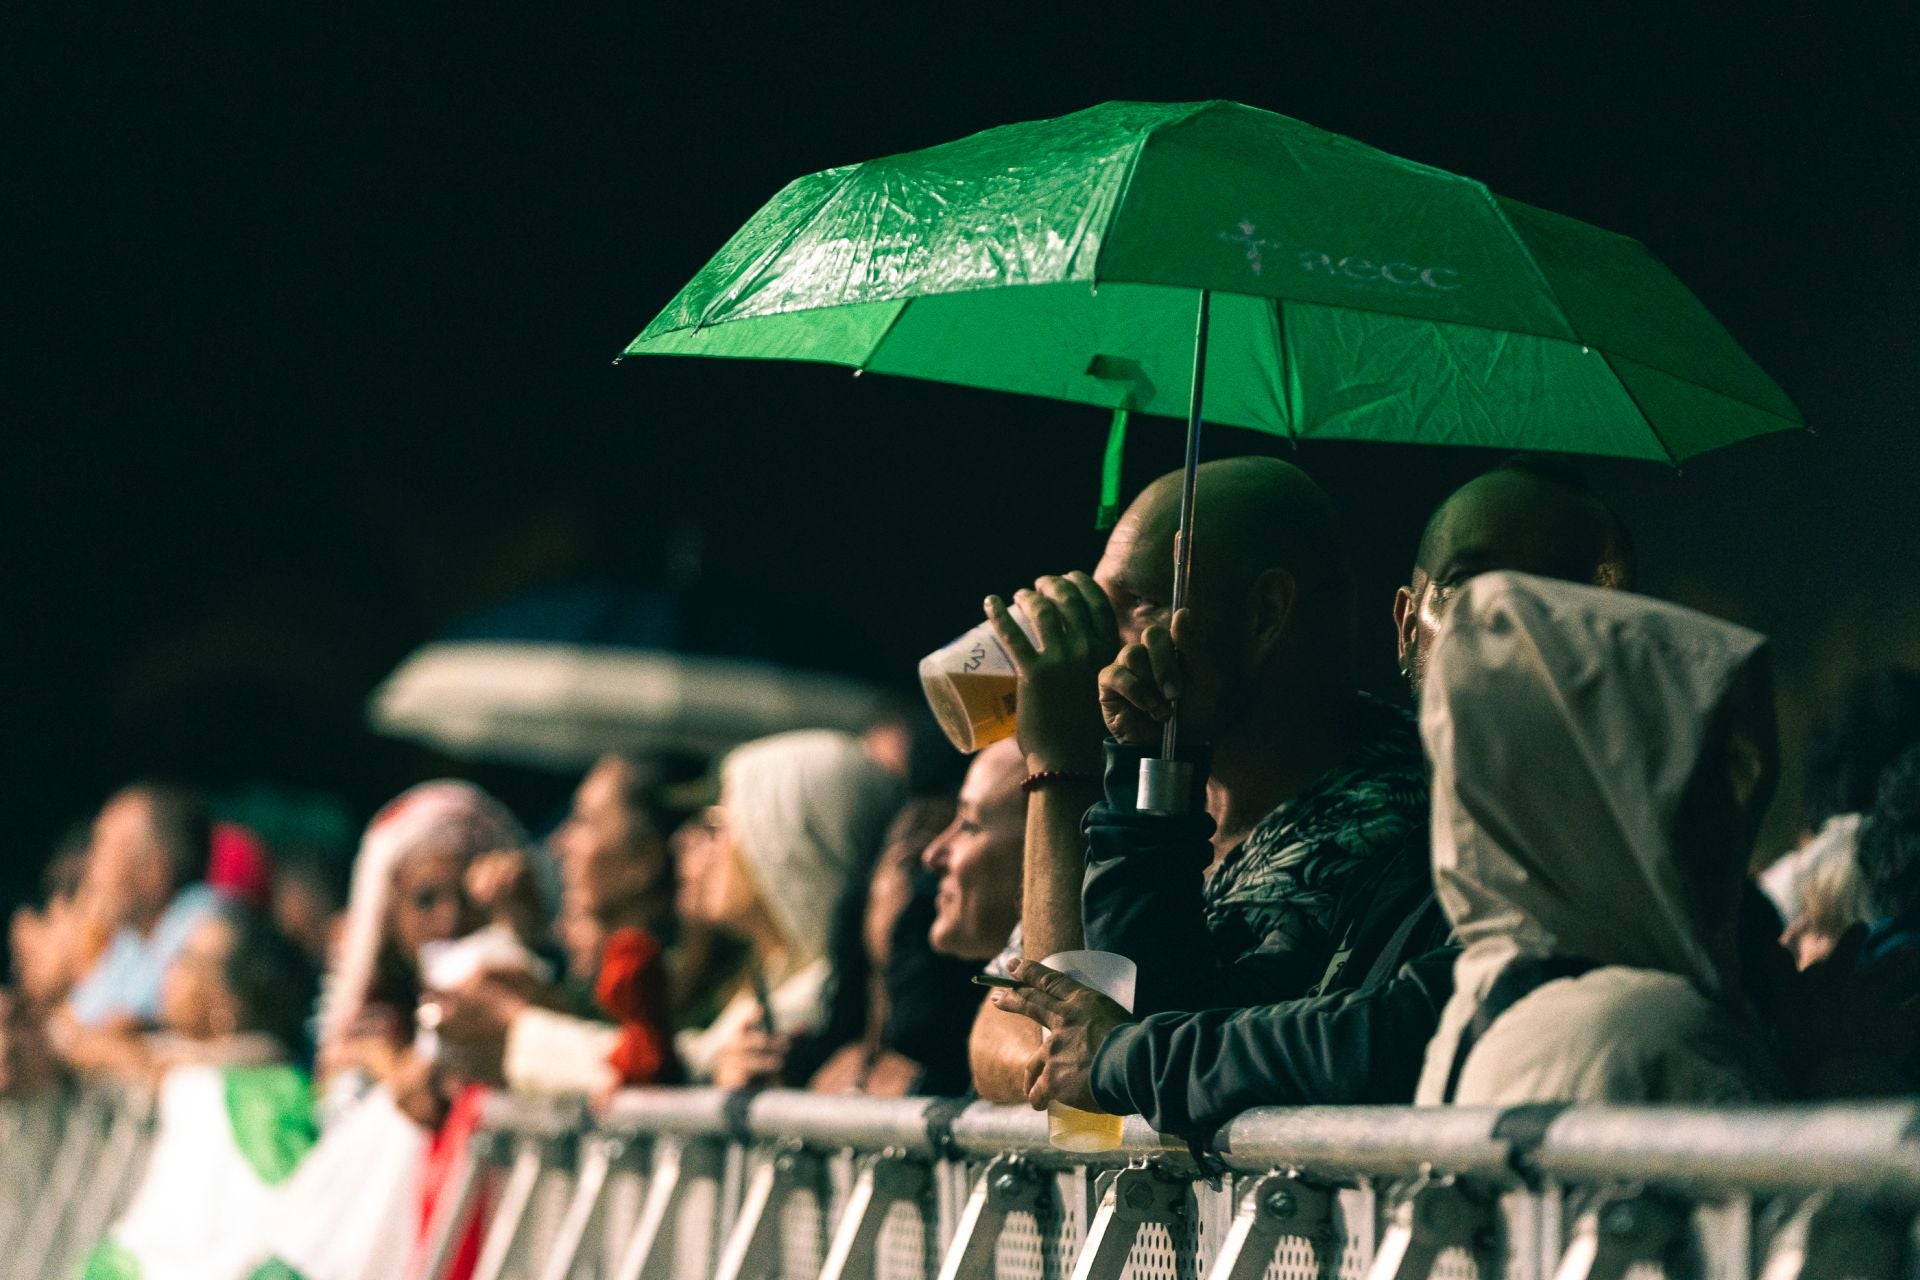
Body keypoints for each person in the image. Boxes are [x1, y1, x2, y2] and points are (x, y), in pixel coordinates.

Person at [993, 461, 1639, 1130]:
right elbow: (1080, 1025)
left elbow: (1391, 1036)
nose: (1521, 624)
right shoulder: (1442, 831)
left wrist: (1123, 1057)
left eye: (1567, 597)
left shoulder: (1402, 823)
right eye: (1476, 587)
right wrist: (1158, 762)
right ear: (1408, 626)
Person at [971, 457, 1429, 1100]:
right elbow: (1011, 1036)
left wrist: (1059, 766)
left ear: (1265, 613)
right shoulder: (1145, 786)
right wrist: (1061, 1062)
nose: (1100, 649)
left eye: (1141, 606)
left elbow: (1113, 1065)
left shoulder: (1385, 811)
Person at [1414, 572, 1782, 1105]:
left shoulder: (1477, 1010)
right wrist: (1845, 1066)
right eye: (1701, 772)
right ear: (1605, 798)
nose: (1731, 811)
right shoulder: (1655, 1034)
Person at [670, 730, 901, 1086]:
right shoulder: (768, 989)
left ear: (788, 845)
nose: (687, 840)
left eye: (719, 823)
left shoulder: (805, 1023)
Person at [65, 784, 224, 1029]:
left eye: (103, 848)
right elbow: (75, 1021)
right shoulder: (133, 940)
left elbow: (131, 1027)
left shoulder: (204, 923)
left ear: (154, 871)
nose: (90, 866)